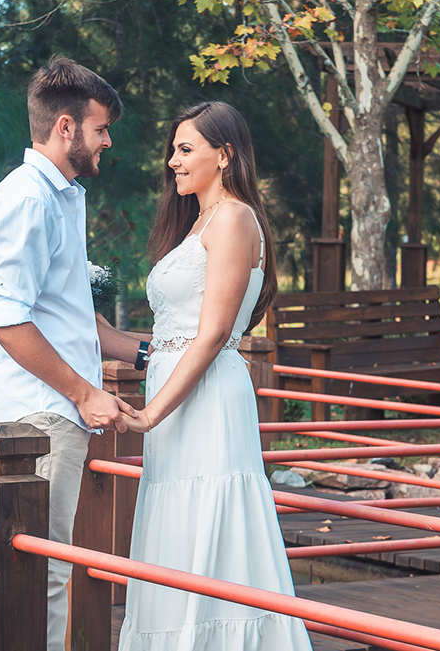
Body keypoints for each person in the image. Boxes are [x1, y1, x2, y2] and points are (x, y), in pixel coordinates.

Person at [98, 102, 313, 650]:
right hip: (177, 401)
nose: (173, 161)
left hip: (208, 400)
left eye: (185, 149)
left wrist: (149, 414)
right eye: (173, 150)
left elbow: (214, 333)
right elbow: (173, 338)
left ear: (225, 155)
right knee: (176, 527)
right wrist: (102, 334)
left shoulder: (235, 218)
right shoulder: (197, 222)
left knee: (210, 520)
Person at [0, 57, 137, 651]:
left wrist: (151, 353)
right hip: (41, 418)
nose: (107, 141)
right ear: (66, 127)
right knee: (42, 577)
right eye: (101, 128)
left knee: (49, 572)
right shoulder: (28, 199)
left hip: (55, 414)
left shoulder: (60, 195)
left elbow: (73, 318)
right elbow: (7, 320)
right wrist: (84, 392)